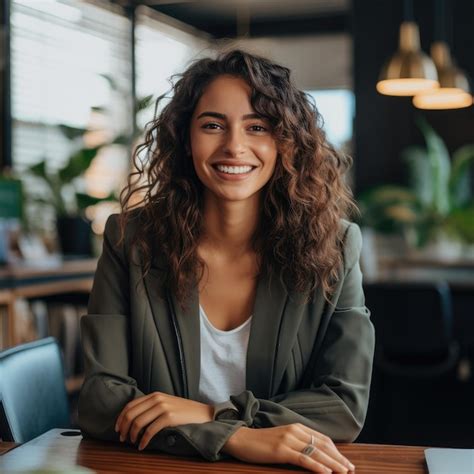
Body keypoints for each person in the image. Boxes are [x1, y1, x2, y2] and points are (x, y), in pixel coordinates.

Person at [78, 49, 374, 473]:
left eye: (258, 127)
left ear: (286, 142)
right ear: (185, 137)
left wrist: (209, 415)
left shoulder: (336, 245)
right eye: (213, 125)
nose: (234, 146)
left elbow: (343, 406)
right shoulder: (132, 240)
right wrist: (241, 438)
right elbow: (100, 401)